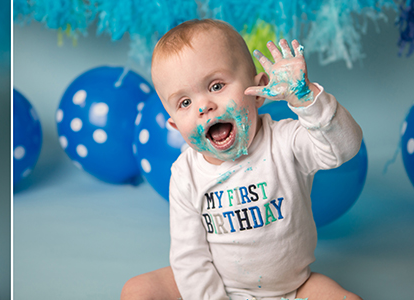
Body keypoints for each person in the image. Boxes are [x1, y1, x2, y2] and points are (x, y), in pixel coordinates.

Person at [121, 19, 363, 300]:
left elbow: (345, 147)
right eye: (184, 103)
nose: (204, 106)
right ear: (175, 126)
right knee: (137, 291)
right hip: (217, 288)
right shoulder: (186, 173)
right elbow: (190, 258)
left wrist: (307, 100)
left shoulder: (285, 142)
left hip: (292, 288)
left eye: (216, 85)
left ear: (259, 90)